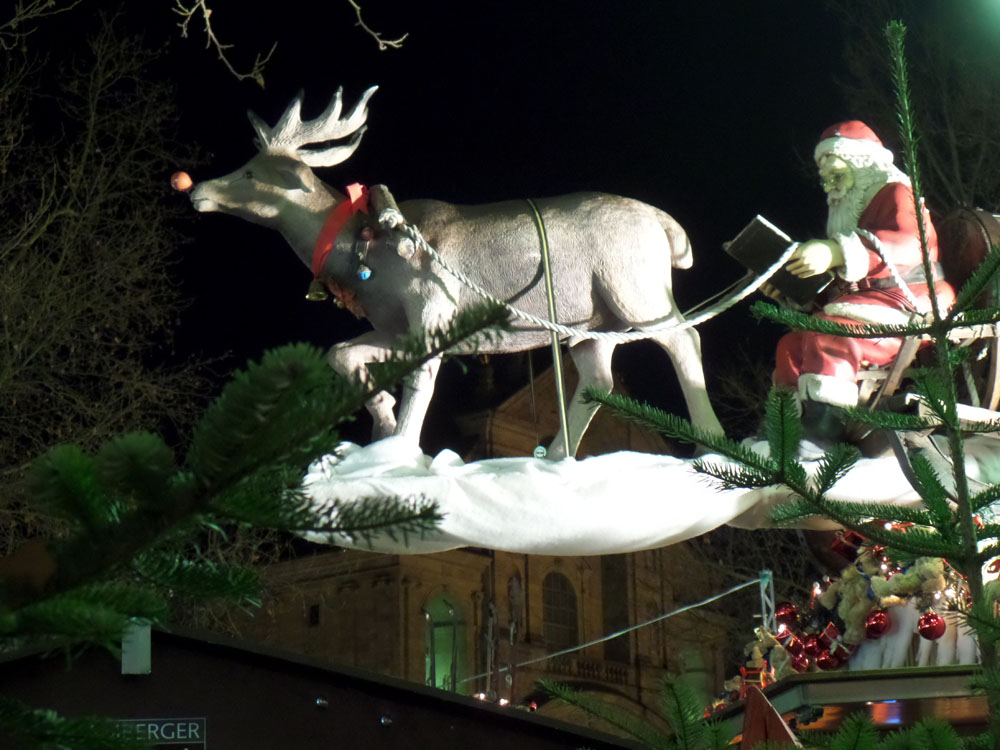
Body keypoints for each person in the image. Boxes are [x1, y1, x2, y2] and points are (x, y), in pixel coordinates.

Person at [767, 121, 956, 444]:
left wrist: (836, 251)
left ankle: (823, 432)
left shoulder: (897, 193)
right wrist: (792, 290)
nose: (831, 187)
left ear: (862, 165)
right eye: (826, 180)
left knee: (831, 332)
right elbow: (847, 286)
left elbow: (910, 245)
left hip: (912, 300)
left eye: (837, 176)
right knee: (791, 345)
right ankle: (785, 429)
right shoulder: (853, 213)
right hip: (869, 302)